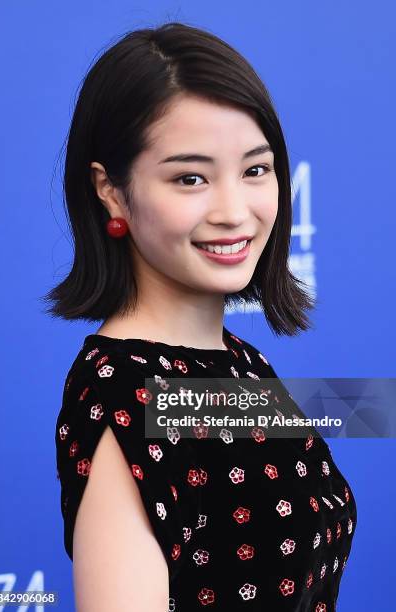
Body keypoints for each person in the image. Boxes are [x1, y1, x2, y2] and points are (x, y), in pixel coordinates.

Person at [45, 21, 357, 611]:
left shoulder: (235, 365)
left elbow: (358, 409)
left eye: (255, 170)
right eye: (190, 178)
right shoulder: (126, 395)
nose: (234, 211)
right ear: (110, 191)